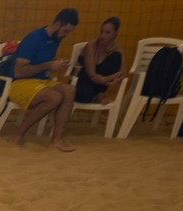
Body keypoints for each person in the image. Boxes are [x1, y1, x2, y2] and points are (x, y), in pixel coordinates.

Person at [7, 8, 82, 150]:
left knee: (70, 90)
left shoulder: (55, 39)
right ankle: (17, 135)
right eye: (65, 31)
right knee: (54, 97)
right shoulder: (34, 38)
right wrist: (48, 65)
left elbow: (41, 61)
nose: (66, 35)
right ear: (58, 24)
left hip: (41, 82)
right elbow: (19, 71)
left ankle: (57, 140)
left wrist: (57, 63)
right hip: (20, 84)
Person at [73, 18, 129, 111]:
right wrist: (111, 78)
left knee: (116, 56)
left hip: (99, 84)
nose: (102, 35)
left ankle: (100, 93)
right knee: (85, 95)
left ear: (115, 34)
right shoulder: (91, 45)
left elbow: (123, 74)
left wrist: (115, 80)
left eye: (107, 32)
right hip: (82, 80)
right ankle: (99, 93)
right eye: (101, 31)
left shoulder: (117, 49)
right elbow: (92, 76)